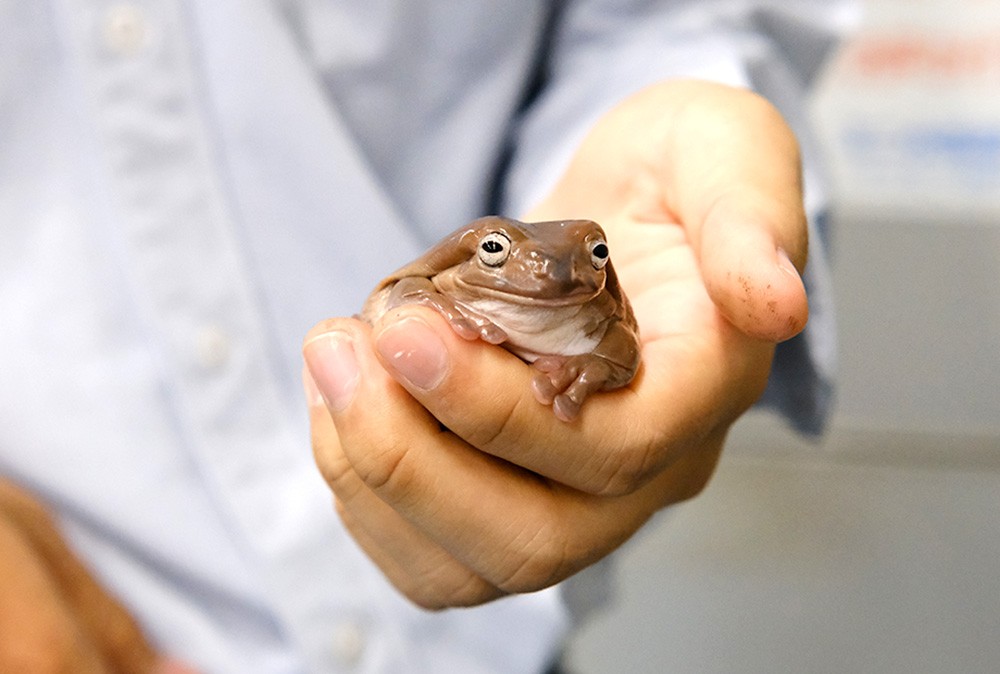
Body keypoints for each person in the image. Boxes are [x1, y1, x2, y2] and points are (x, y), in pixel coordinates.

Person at [0, 1, 853, 672]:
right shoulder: (446, 285)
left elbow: (666, 18)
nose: (553, 274)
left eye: (586, 259)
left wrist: (674, 102)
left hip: (483, 644)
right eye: (492, 256)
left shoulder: (584, 291)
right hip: (92, 596)